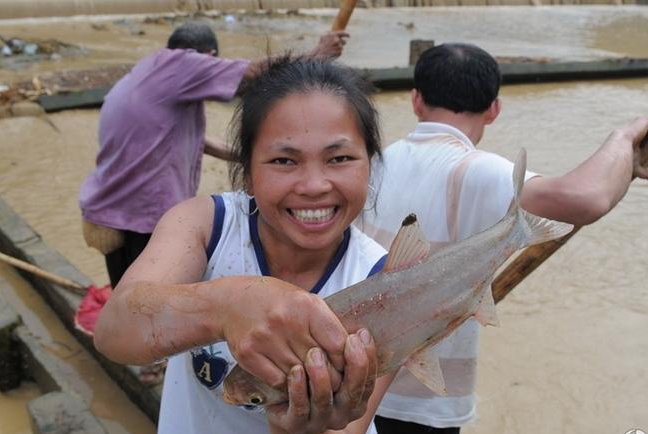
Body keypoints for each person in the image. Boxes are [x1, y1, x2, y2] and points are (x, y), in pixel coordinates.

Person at [93, 56, 402, 434]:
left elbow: (349, 427)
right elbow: (113, 331)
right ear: (248, 174)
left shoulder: (384, 281)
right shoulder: (207, 225)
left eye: (339, 158)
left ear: (368, 166)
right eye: (284, 160)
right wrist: (229, 305)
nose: (314, 185)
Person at [358, 43, 648, 434]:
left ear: (415, 100)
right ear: (494, 109)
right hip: (426, 405)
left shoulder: (370, 164)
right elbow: (587, 198)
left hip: (352, 393)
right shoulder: (475, 171)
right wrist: (625, 137)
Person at [79, 21, 349, 289]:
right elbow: (254, 71)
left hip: (110, 210)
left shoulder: (150, 75)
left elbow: (198, 141)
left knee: (125, 294)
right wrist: (318, 53)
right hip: (142, 218)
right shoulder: (183, 64)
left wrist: (260, 158)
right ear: (207, 58)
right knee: (147, 303)